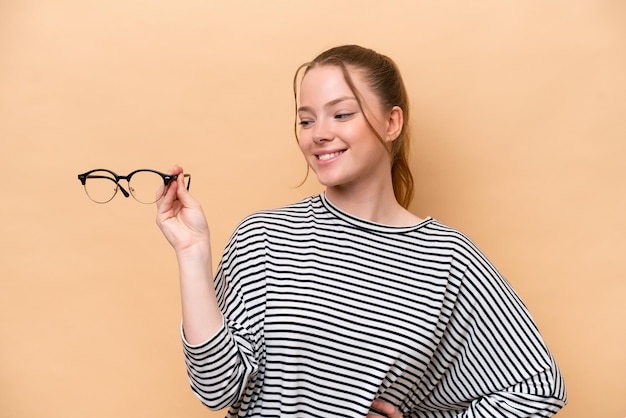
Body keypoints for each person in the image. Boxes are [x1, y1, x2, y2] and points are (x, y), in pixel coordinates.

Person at [155, 45, 567, 417]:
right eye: (305, 119)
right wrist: (192, 254)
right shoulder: (264, 236)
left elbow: (537, 388)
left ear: (391, 122)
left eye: (342, 113)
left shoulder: (447, 257)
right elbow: (216, 387)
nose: (318, 133)